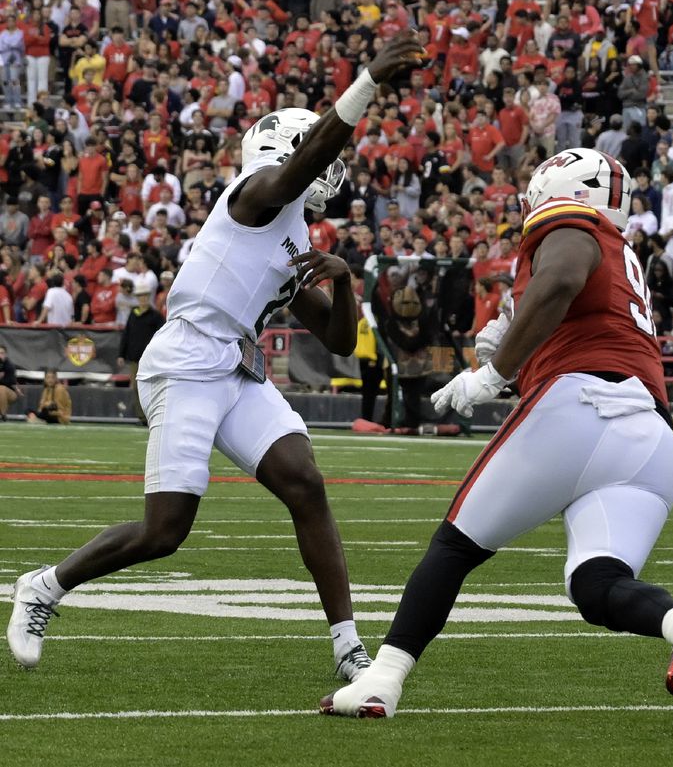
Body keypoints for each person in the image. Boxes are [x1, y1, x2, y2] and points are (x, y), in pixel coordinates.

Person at [5, 34, 428, 678]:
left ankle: (348, 646)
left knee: (305, 484)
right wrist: (366, 80)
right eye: (312, 155)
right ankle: (43, 585)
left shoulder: (292, 230)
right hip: (185, 362)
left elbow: (339, 341)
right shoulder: (256, 195)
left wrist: (342, 283)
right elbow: (312, 155)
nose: (327, 172)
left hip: (234, 364)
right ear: (287, 153)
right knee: (164, 530)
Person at [322, 148, 673, 719]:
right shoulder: (623, 253)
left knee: (455, 546)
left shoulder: (571, 221)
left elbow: (564, 277)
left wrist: (493, 374)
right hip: (649, 438)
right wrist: (522, 347)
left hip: (582, 406)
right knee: (597, 584)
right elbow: (577, 309)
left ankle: (382, 680)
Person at [118, 282, 166, 423]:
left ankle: (152, 415)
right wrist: (121, 354)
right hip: (134, 357)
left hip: (150, 358)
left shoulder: (155, 316)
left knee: (151, 387)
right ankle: (142, 416)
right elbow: (126, 334)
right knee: (136, 387)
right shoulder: (133, 314)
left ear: (148, 297)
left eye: (145, 296)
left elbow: (161, 336)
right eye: (140, 296)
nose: (143, 299)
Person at [0, 346, 19, 421]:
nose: (0, 355)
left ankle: (3, 415)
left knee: (1, 388)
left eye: (2, 353)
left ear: (6, 354)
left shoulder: (10, 366)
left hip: (11, 393)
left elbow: (10, 382)